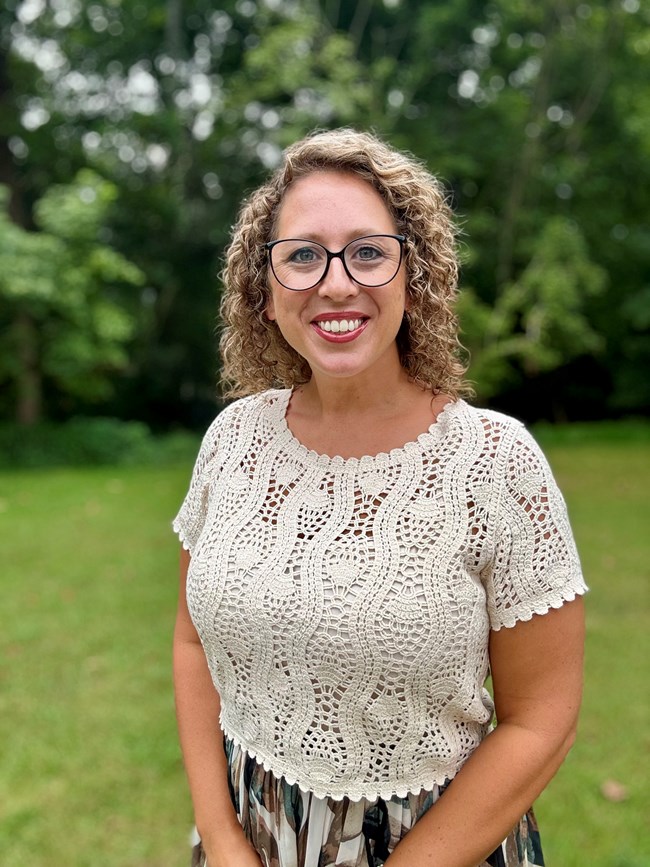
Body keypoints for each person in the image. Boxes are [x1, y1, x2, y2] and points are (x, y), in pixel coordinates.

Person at [172, 128, 587, 867]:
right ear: (264, 293)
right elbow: (191, 641)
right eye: (302, 255)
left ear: (412, 275)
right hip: (250, 838)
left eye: (368, 251)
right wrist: (224, 837)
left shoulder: (494, 462)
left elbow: (542, 718)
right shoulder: (233, 439)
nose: (335, 283)